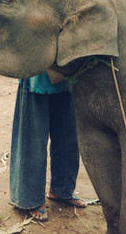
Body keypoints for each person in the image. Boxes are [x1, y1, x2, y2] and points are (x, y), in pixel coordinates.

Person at [10, 71, 87, 221]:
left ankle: (61, 191)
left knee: (69, 136)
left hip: (67, 73)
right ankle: (30, 199)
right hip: (37, 73)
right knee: (34, 140)